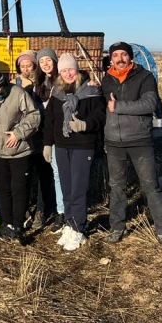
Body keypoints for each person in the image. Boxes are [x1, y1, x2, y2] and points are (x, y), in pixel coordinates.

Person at [101, 41, 162, 248]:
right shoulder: (106, 79)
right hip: (114, 142)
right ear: (110, 58)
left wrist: (118, 106)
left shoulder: (144, 77)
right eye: (115, 55)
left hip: (139, 141)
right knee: (117, 187)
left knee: (151, 187)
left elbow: (149, 104)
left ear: (130, 57)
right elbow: (100, 109)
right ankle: (117, 227)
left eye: (123, 54)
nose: (119, 58)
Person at [44, 54, 105, 252]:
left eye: (71, 69)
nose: (68, 73)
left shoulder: (92, 90)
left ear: (77, 69)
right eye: (64, 70)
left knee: (78, 189)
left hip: (83, 145)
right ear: (60, 73)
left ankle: (79, 228)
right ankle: (70, 224)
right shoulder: (57, 93)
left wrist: (85, 124)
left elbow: (100, 116)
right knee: (68, 188)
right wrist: (47, 144)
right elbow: (50, 121)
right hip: (62, 146)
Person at [0, 66, 40, 243]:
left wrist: (18, 133)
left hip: (19, 150)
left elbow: (34, 115)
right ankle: (7, 224)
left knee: (19, 189)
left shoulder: (18, 93)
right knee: (3, 189)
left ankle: (18, 225)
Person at [31, 47, 62, 232]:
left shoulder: (63, 81)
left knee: (59, 175)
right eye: (42, 61)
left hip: (60, 135)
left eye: (48, 60)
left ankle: (61, 211)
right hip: (43, 135)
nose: (45, 64)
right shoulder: (39, 85)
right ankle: (42, 209)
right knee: (44, 174)